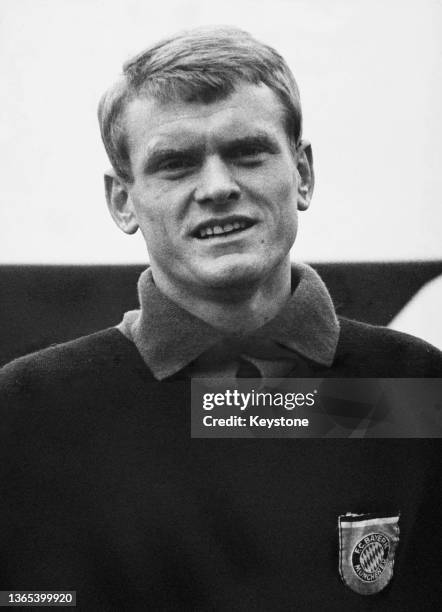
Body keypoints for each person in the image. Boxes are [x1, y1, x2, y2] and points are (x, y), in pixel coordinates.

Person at [0, 26, 441, 610]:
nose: (217, 187)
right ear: (122, 201)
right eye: (176, 164)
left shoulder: (413, 389)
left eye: (246, 153)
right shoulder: (28, 414)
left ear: (303, 174)